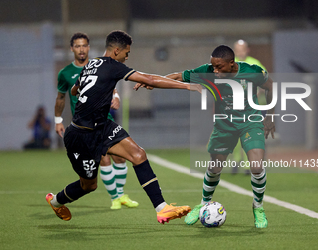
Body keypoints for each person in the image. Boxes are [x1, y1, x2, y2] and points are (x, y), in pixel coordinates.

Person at [46, 30, 202, 223]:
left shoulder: (92, 64)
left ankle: (162, 208)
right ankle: (55, 202)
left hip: (102, 126)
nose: (127, 57)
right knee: (89, 185)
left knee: (138, 155)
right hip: (80, 135)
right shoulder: (113, 66)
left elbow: (74, 90)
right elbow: (150, 79)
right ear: (117, 50)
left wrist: (94, 94)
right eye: (126, 53)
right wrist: (188, 86)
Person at [163, 45, 275, 228]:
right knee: (215, 167)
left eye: (219, 67)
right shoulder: (208, 71)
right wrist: (151, 82)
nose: (215, 70)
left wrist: (270, 115)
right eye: (213, 66)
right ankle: (203, 203)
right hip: (225, 125)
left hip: (250, 122)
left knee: (256, 166)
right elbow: (177, 75)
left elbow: (271, 86)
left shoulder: (251, 71)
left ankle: (258, 207)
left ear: (232, 64)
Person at [55, 32, 138, 210]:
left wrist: (116, 96)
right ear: (72, 49)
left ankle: (121, 194)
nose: (81, 49)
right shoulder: (66, 73)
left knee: (120, 157)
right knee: (104, 160)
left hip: (104, 119)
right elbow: (62, 97)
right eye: (77, 46)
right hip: (84, 125)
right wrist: (58, 120)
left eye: (84, 45)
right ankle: (115, 198)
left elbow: (109, 84)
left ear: (89, 47)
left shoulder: (98, 64)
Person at [232, 39, 268, 174]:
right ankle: (236, 160)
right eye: (238, 50)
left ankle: (248, 165)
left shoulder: (255, 63)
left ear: (247, 50)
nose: (240, 53)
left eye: (243, 50)